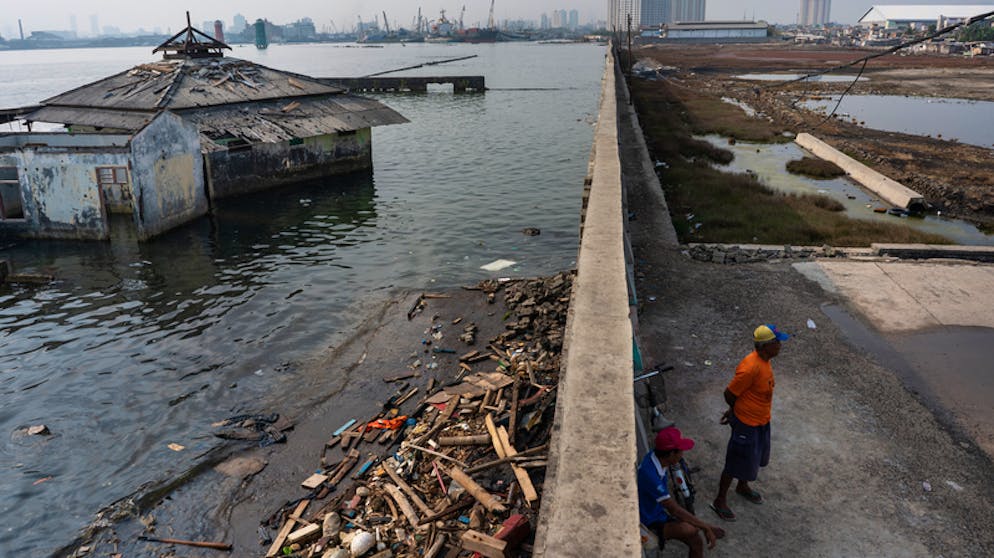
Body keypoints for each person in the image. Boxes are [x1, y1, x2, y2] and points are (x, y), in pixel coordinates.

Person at [710, 323, 788, 522]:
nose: (780, 345)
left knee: (753, 457)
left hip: (761, 421)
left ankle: (742, 486)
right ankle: (720, 500)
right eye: (776, 342)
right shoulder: (750, 367)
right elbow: (729, 393)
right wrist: (735, 412)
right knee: (735, 462)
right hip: (747, 423)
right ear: (764, 346)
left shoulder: (765, 361)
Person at [638, 426, 726, 557]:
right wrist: (706, 526)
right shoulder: (651, 476)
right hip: (648, 521)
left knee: (695, 539)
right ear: (671, 454)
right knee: (690, 530)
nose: (682, 454)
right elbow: (674, 509)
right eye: (680, 451)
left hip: (655, 511)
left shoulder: (655, 457)